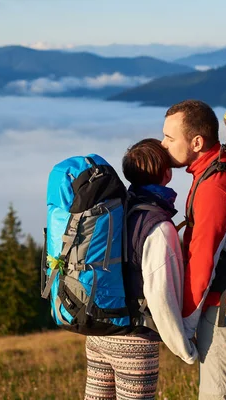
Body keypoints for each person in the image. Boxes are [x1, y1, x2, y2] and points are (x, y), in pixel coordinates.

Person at [161, 100, 226, 400]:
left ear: (196, 142)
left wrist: (183, 329)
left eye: (170, 137)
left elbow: (201, 264)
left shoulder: (213, 188)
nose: (163, 144)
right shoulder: (224, 165)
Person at [84, 138, 197, 400]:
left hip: (98, 332)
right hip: (134, 342)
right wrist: (183, 347)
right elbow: (161, 294)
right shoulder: (157, 225)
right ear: (166, 173)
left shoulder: (116, 208)